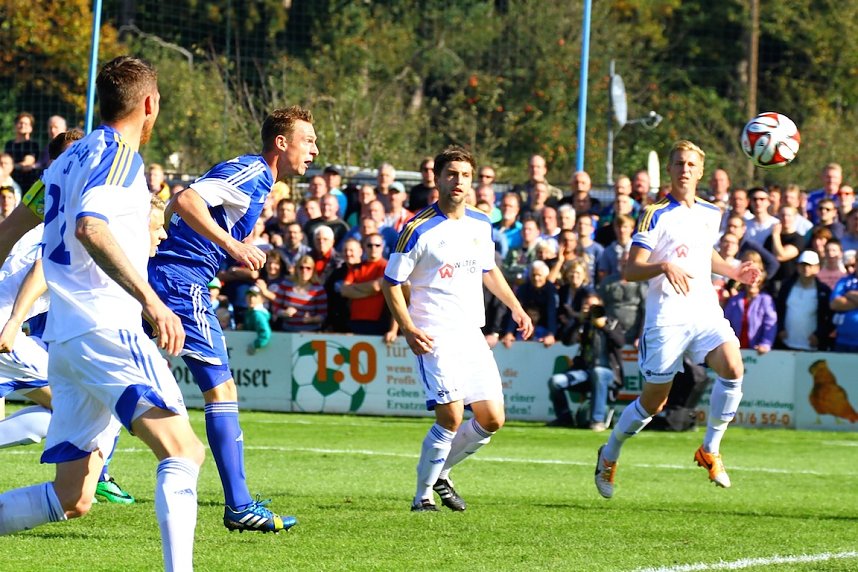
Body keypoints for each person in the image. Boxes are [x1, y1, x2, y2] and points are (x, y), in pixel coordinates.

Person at [0, 56, 205, 571]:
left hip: (65, 342)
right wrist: (152, 301)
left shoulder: (64, 162)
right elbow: (92, 226)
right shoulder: (119, 156)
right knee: (183, 452)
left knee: (72, 497)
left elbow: (7, 234)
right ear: (150, 104)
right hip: (105, 326)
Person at [148, 104, 318, 533]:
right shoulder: (253, 171)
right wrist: (231, 246)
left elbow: (177, 210)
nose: (314, 150)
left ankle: (96, 467)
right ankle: (239, 506)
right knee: (220, 388)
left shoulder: (259, 183)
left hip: (178, 278)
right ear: (282, 143)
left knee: (133, 377)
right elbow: (184, 199)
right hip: (180, 284)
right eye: (308, 141)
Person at [594, 140, 761, 499]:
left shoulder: (710, 212)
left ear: (700, 172)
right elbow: (632, 269)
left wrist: (735, 270)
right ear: (669, 170)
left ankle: (710, 449)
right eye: (678, 163)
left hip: (703, 310)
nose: (684, 169)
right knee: (653, 404)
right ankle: (609, 453)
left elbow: (704, 254)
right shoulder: (655, 213)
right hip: (667, 318)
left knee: (733, 367)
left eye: (691, 164)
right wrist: (664, 264)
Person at [382, 146, 533, 512]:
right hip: (434, 334)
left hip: (471, 333)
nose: (458, 181)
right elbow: (390, 283)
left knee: (493, 418)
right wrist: (408, 327)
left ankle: (441, 473)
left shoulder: (481, 223)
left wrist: (516, 307)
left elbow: (489, 270)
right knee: (450, 416)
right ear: (436, 178)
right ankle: (422, 497)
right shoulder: (417, 229)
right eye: (451, 174)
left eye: (465, 175)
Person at [548, 297, 624, 431]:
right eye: (585, 304)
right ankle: (565, 417)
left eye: (591, 305)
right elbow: (567, 341)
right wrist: (578, 322)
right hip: (584, 372)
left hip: (608, 372)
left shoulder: (612, 323)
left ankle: (597, 420)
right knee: (555, 381)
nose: (587, 308)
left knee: (598, 372)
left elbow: (620, 343)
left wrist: (604, 327)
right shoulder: (584, 324)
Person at [775, 250, 834, 351]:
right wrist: (780, 329)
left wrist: (819, 335)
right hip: (786, 345)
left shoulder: (824, 290)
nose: (806, 268)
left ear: (817, 268)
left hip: (812, 347)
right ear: (797, 266)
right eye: (803, 265)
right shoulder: (786, 286)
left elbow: (830, 317)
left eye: (810, 265)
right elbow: (777, 310)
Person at [723, 269, 777, 354]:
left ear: (762, 284)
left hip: (756, 350)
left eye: (757, 282)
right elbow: (725, 321)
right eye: (751, 281)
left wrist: (765, 344)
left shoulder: (766, 300)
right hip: (734, 349)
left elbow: (770, 324)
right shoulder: (734, 300)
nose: (753, 284)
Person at [4, 112, 40, 191]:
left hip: (27, 184)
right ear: (15, 126)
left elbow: (27, 164)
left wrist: (9, 166)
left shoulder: (32, 145)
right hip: (9, 183)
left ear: (31, 128)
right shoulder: (9, 144)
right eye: (20, 123)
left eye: (26, 124)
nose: (23, 125)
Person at [830, 254, 858, 352]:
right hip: (842, 342)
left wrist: (849, 294)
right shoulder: (844, 281)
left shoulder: (846, 288)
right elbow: (834, 304)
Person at [243, 286, 271, 355]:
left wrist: (255, 345)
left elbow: (265, 334)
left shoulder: (258, 314)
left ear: (262, 299)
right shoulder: (250, 313)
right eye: (249, 296)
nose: (251, 299)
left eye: (254, 296)